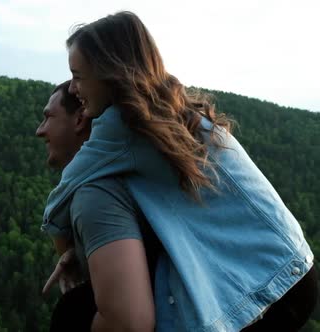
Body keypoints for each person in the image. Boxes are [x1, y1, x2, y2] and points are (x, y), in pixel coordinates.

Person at [41, 11, 317, 332]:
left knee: (72, 314)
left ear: (108, 74)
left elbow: (61, 199)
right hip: (288, 264)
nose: (74, 88)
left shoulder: (121, 127)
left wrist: (71, 251)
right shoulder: (172, 111)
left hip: (267, 283)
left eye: (78, 76)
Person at [37, 81, 159, 331]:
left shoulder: (94, 196)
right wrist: (85, 252)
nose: (40, 130)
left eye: (48, 117)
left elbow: (129, 324)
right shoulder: (136, 181)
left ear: (80, 118)